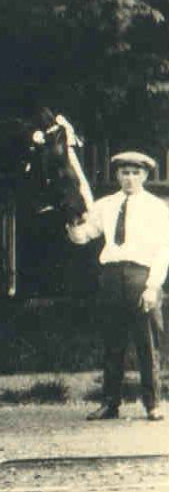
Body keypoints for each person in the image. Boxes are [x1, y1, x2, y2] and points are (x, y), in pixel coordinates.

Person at [66, 150, 169, 420]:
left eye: (135, 173)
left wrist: (152, 287)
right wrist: (72, 224)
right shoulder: (105, 205)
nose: (130, 178)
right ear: (117, 175)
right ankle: (110, 403)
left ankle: (152, 403)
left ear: (145, 176)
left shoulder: (157, 208)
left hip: (141, 276)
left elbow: (163, 250)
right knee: (113, 342)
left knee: (147, 343)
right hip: (111, 276)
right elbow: (85, 235)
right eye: (125, 173)